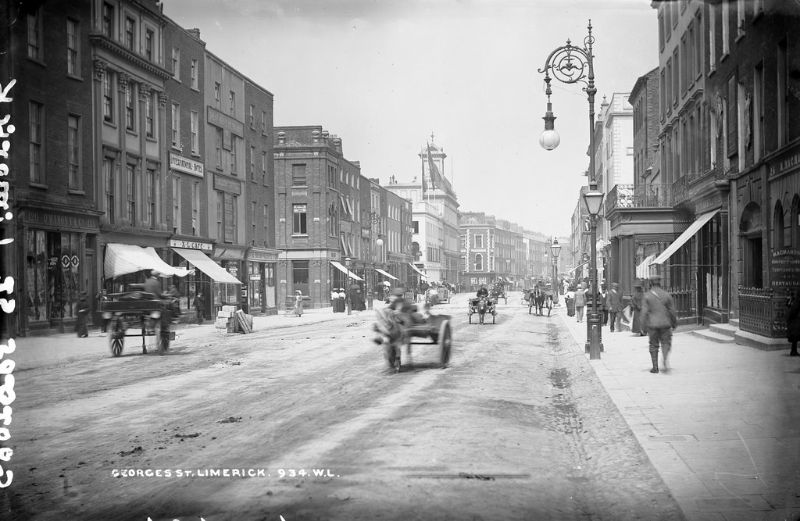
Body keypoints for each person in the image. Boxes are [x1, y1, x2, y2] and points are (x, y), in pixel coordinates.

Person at [641, 275, 677, 373]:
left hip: (652, 325)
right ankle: (665, 360)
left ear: (650, 283)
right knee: (666, 343)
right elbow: (672, 311)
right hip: (665, 324)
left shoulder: (647, 296)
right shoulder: (666, 295)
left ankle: (655, 367)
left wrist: (643, 327)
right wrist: (674, 323)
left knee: (653, 345)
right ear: (660, 282)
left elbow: (644, 313)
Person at [786, 290, 800, 357]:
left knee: (795, 337)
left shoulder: (797, 300)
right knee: (795, 336)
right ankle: (793, 351)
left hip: (795, 320)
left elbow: (793, 310)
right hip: (796, 321)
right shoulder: (797, 301)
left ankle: (793, 351)